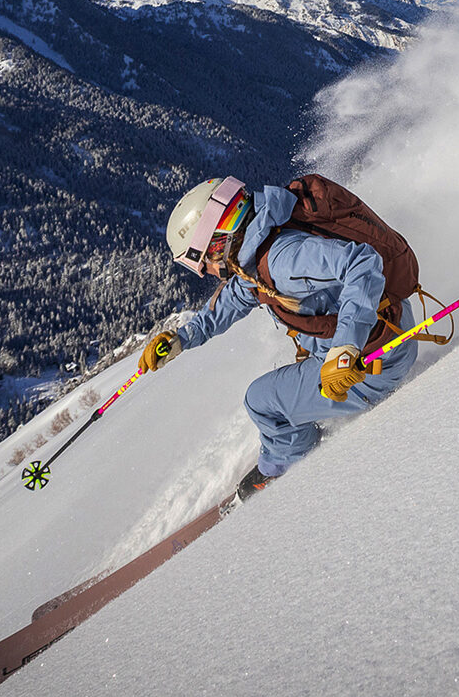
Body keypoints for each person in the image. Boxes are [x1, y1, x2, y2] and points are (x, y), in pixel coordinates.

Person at [139, 175, 422, 500]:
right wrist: (181, 338)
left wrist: (346, 346)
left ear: (219, 243)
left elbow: (361, 262)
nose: (208, 271)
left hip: (371, 363)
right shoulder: (264, 238)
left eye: (205, 261)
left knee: (260, 401)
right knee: (283, 385)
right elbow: (231, 300)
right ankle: (301, 426)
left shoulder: (280, 259)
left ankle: (284, 470)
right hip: (387, 331)